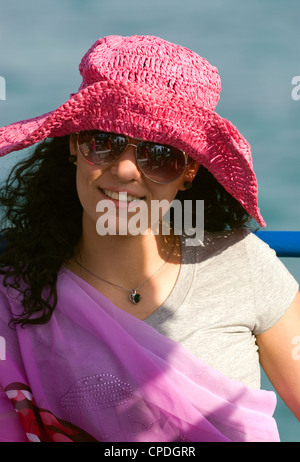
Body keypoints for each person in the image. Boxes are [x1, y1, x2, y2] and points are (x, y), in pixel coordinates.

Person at [0, 35, 299, 443]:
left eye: (159, 155)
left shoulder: (243, 264)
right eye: (104, 143)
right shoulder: (12, 290)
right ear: (74, 144)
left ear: (190, 170)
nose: (125, 171)